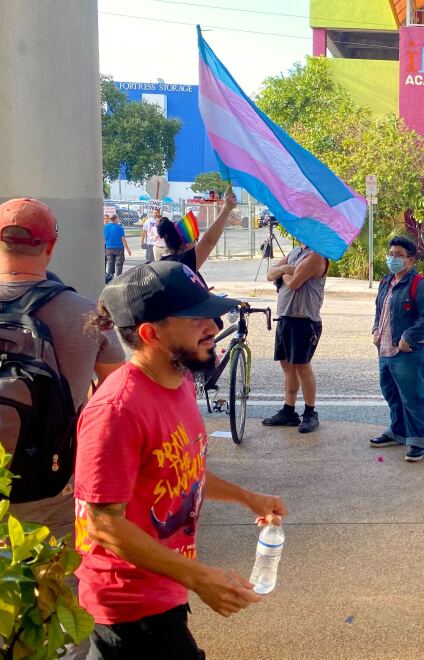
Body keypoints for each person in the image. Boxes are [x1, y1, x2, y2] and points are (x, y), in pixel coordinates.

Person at [75, 260, 287, 659]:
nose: (213, 326)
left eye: (211, 314)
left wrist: (247, 497)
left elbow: (182, 470)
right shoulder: (117, 410)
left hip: (166, 584)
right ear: (150, 334)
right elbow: (103, 523)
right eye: (196, 319)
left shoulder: (180, 381)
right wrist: (200, 577)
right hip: (129, 603)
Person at [0, 198, 125, 660]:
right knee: (55, 601)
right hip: (50, 483)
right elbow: (117, 393)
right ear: (50, 246)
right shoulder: (82, 311)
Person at [370, 236, 424, 462]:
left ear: (410, 260)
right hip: (386, 348)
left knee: (413, 396)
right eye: (391, 254)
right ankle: (398, 431)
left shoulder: (420, 284)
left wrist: (408, 338)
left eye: (398, 255)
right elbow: (380, 310)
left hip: (409, 351)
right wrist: (375, 331)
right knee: (391, 393)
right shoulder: (386, 282)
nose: (393, 258)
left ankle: (419, 440)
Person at [261, 243, 330, 433]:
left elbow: (294, 283)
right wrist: (285, 269)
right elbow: (269, 274)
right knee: (287, 365)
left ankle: (310, 412)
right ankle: (289, 410)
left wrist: (283, 274)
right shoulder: (295, 252)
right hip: (286, 317)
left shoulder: (316, 255)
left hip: (304, 320)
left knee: (302, 366)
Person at [158, 188, 237, 284]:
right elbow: (209, 242)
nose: (196, 245)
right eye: (194, 241)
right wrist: (226, 208)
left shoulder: (163, 264)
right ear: (184, 245)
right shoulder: (182, 264)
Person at [103, 214, 131, 279]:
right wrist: (128, 250)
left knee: (110, 263)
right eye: (117, 219)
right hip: (119, 248)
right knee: (119, 264)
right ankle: (118, 278)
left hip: (109, 248)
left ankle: (110, 277)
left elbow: (103, 238)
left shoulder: (105, 227)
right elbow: (123, 240)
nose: (118, 220)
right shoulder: (120, 228)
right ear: (115, 219)